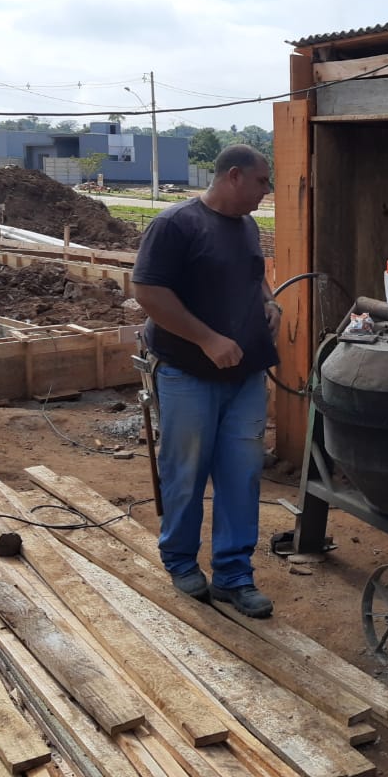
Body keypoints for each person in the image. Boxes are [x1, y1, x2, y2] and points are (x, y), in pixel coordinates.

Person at [132, 144, 280, 618]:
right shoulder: (175, 225)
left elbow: (254, 275)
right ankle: (179, 560)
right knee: (187, 469)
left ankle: (234, 575)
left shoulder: (248, 226)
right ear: (233, 176)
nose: (267, 190)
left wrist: (269, 301)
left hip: (246, 374)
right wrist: (208, 340)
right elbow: (148, 291)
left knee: (242, 474)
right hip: (187, 372)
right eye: (261, 181)